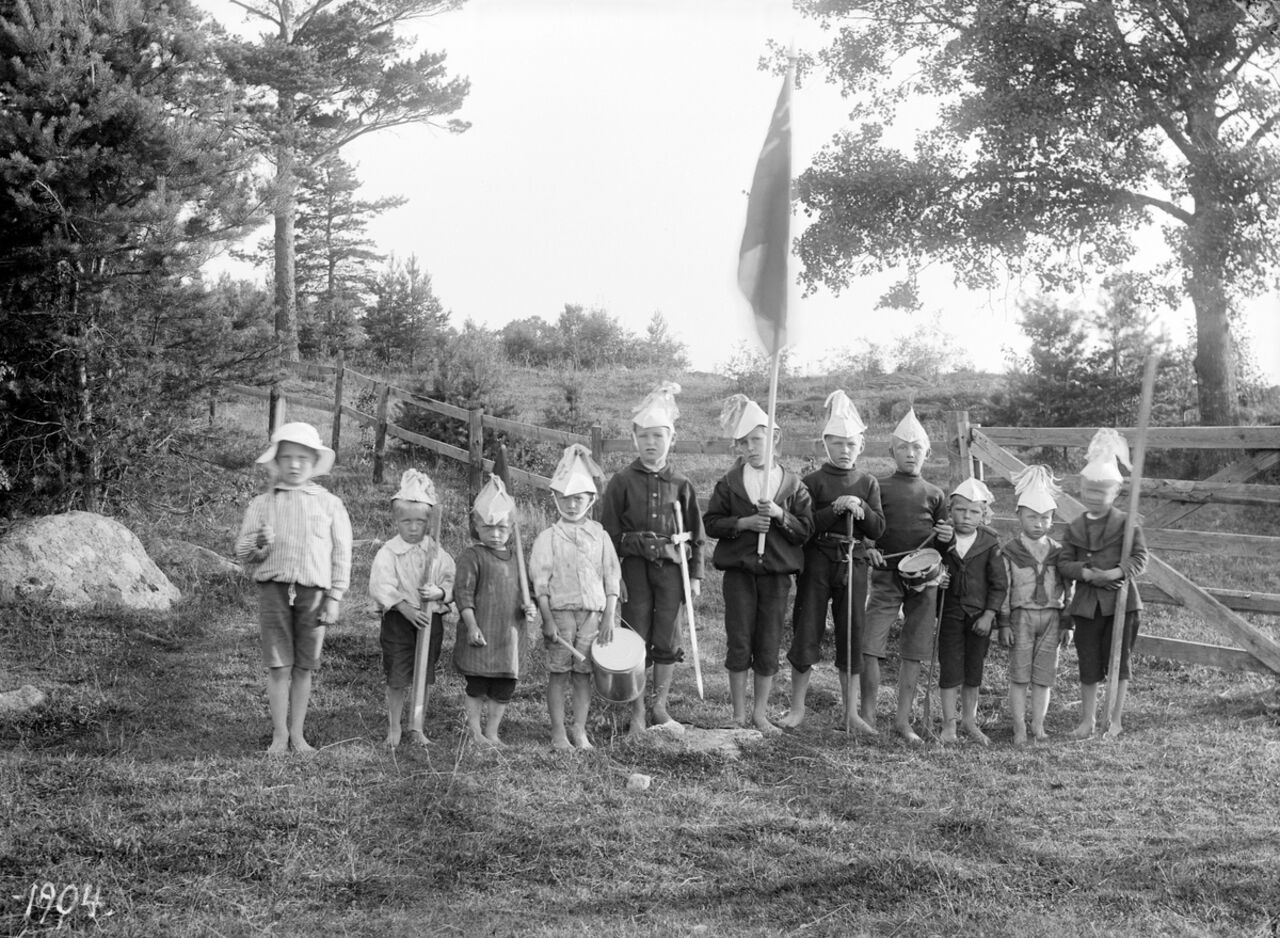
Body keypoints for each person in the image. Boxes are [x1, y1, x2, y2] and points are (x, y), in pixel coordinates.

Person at [235, 422, 352, 755]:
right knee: (279, 666)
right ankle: (279, 735)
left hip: (313, 595)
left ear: (314, 462)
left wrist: (335, 597)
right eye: (288, 457)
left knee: (304, 666)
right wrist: (258, 543)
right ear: (277, 461)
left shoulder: (330, 504)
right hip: (274, 591)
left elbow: (342, 552)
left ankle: (298, 735)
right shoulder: (263, 503)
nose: (295, 464)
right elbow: (242, 551)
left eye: (303, 457)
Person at [703, 394, 814, 734]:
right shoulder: (730, 482)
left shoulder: (793, 485)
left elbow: (805, 531)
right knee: (739, 639)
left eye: (757, 440)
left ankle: (760, 714)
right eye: (745, 442)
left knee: (768, 641)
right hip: (738, 574)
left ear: (774, 439)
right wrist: (743, 524)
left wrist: (781, 515)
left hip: (776, 576)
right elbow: (711, 523)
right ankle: (738, 713)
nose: (751, 448)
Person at [600, 381, 705, 736]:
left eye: (658, 436)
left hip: (672, 572)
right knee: (635, 635)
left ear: (670, 439)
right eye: (644, 436)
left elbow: (697, 535)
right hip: (633, 571)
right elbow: (608, 537)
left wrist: (694, 576)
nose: (650, 443)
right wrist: (614, 578)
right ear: (634, 439)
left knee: (667, 637)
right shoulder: (622, 481)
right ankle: (637, 711)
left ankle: (659, 706)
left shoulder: (681, 483)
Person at [781, 390, 884, 732]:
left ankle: (851, 713)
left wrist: (862, 508)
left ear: (861, 446)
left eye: (850, 445)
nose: (844, 451)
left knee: (851, 633)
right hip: (817, 562)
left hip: (853, 562)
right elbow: (804, 528)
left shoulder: (867, 483)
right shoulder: (811, 481)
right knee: (807, 629)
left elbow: (878, 528)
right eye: (837, 444)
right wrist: (834, 508)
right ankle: (797, 709)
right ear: (825, 444)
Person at [862, 409, 953, 744]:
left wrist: (946, 540)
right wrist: (868, 546)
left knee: (915, 648)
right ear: (891, 453)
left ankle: (903, 721)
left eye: (917, 448)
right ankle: (868, 717)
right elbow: (867, 529)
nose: (910, 453)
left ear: (927, 453)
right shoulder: (877, 486)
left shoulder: (935, 493)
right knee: (870, 644)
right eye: (903, 447)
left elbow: (946, 545)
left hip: (924, 581)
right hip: (886, 577)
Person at [1057, 429, 1148, 740]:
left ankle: (1115, 720)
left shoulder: (1127, 523)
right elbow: (1063, 562)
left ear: (1115, 492)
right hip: (1086, 606)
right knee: (1089, 664)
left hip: (1121, 603)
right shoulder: (1075, 527)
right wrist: (1085, 573)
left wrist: (1115, 573)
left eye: (1100, 492)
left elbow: (1140, 558)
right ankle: (1087, 721)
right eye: (1088, 491)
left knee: (1118, 662)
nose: (1093, 497)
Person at [530, 444, 622, 751]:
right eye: (566, 499)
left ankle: (579, 730)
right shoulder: (549, 538)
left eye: (578, 499)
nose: (572, 505)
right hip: (561, 616)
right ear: (556, 498)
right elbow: (540, 583)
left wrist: (609, 614)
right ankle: (558, 732)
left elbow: (612, 577)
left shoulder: (600, 535)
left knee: (583, 674)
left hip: (593, 617)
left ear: (590, 499)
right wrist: (546, 618)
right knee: (559, 673)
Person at [367, 469, 455, 747]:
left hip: (430, 621)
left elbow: (452, 581)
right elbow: (381, 585)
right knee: (398, 675)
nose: (414, 528)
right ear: (396, 520)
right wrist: (403, 607)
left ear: (429, 521)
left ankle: (416, 726)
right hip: (400, 621)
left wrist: (440, 592)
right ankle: (394, 728)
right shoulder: (389, 552)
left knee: (423, 674)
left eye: (420, 522)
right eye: (407, 521)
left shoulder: (436, 552)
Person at [453, 475, 538, 747]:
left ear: (511, 527)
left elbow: (528, 593)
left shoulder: (517, 560)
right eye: (488, 527)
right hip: (482, 630)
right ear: (477, 525)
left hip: (509, 635)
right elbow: (463, 594)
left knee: (503, 687)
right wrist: (472, 625)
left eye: (501, 527)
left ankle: (492, 731)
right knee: (477, 684)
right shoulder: (472, 556)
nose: (495, 533)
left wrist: (530, 606)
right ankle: (474, 730)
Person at [998, 465, 1073, 745]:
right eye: (1032, 517)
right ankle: (1018, 726)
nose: (1038, 523)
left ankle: (1038, 724)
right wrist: (1003, 622)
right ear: (1019, 515)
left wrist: (1068, 622)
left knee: (1044, 676)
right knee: (1019, 675)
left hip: (1052, 617)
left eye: (1045, 518)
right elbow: (1003, 588)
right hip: (1022, 618)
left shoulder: (1058, 553)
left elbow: (1068, 587)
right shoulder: (1010, 552)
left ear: (1052, 519)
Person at [935, 477, 1008, 745]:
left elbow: (1000, 585)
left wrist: (990, 615)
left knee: (973, 669)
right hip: (949, 613)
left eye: (974, 511)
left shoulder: (990, 543)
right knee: (950, 669)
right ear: (950, 511)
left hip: (979, 618)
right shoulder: (941, 539)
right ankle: (948, 725)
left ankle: (969, 721)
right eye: (961, 510)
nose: (967, 516)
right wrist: (937, 578)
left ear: (984, 515)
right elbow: (930, 566)